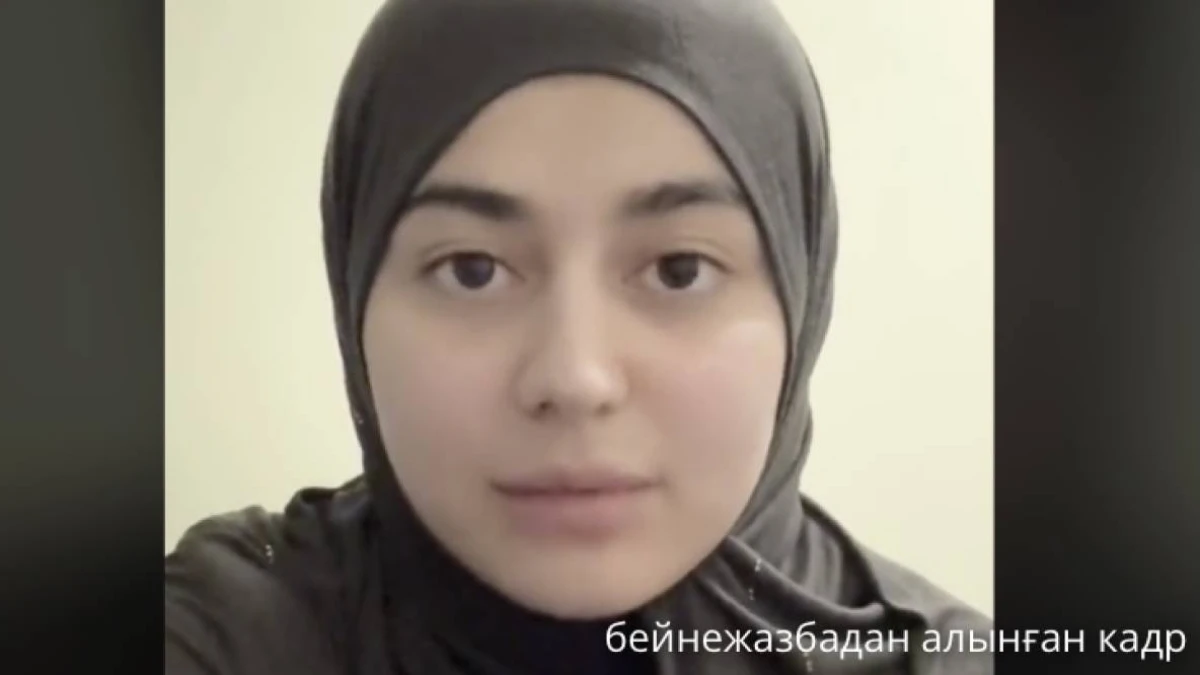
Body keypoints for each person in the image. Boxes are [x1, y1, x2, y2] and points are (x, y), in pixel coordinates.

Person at [165, 0, 991, 673]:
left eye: (678, 269)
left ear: (800, 298)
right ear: (354, 293)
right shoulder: (233, 629)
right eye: (472, 269)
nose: (575, 376)